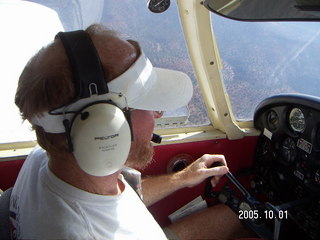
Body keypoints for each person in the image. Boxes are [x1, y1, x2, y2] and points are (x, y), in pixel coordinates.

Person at [11, 24, 253, 239]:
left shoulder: (43, 159)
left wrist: (182, 178)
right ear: (102, 126)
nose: (159, 114)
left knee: (240, 215)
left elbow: (109, 205)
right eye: (149, 105)